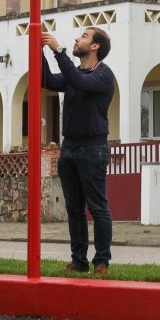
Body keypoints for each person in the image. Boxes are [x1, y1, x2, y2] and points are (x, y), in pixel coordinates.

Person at [40, 28, 115, 275]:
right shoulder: (75, 74)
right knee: (74, 209)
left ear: (95, 47)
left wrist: (58, 51)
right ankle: (79, 260)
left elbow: (80, 82)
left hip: (93, 149)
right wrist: (38, 50)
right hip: (69, 148)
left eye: (83, 36)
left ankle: (102, 261)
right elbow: (48, 81)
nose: (76, 39)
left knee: (97, 207)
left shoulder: (103, 75)